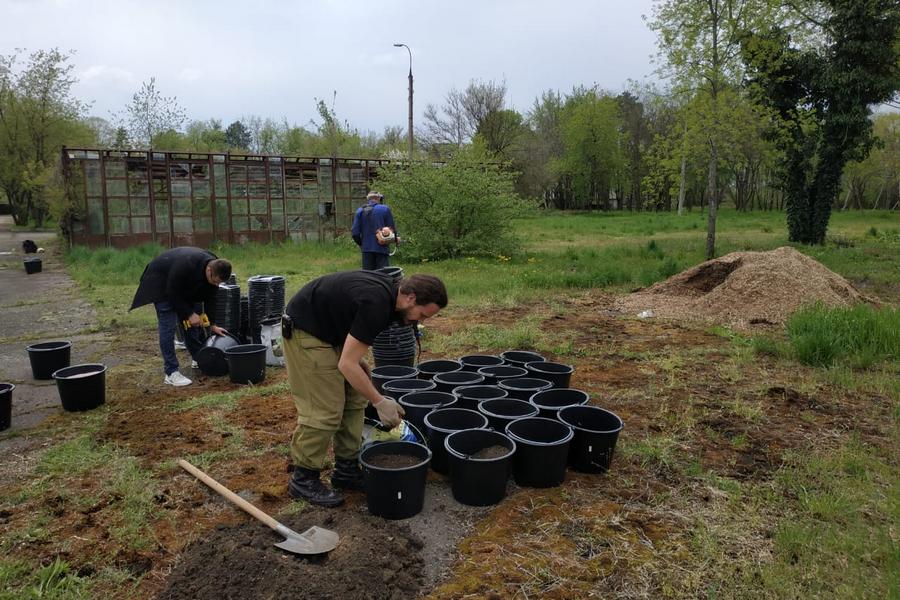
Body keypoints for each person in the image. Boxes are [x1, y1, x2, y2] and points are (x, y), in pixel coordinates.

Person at [282, 271, 447, 507]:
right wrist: (380, 402)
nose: (419, 322)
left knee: (355, 400)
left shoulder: (390, 296)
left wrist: (358, 363)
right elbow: (346, 364)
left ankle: (346, 470)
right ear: (411, 298)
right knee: (325, 410)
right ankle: (303, 479)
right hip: (305, 332)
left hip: (330, 333)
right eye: (421, 315)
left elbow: (348, 331)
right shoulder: (377, 304)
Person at [130, 247, 232, 387]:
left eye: (219, 283)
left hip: (183, 286)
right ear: (209, 270)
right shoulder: (186, 265)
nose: (216, 285)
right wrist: (189, 314)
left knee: (193, 322)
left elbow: (211, 296)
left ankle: (199, 358)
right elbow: (172, 292)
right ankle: (171, 373)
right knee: (168, 325)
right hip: (161, 283)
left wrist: (212, 324)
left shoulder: (215, 265)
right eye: (215, 281)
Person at [351, 191, 397, 270]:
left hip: (366, 250)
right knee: (383, 276)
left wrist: (362, 244)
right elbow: (391, 229)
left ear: (368, 199)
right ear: (378, 198)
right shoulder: (385, 209)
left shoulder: (360, 211)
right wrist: (395, 239)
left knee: (368, 277)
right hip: (382, 249)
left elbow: (355, 233)